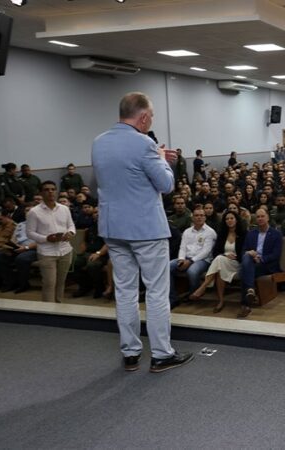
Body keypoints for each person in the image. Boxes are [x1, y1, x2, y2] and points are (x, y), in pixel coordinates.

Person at [92, 91, 193, 373]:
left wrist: (156, 156)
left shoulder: (98, 143)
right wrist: (161, 159)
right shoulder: (144, 143)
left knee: (124, 291)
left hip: (113, 227)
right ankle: (161, 354)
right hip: (145, 229)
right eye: (151, 117)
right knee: (157, 291)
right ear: (144, 116)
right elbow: (166, 185)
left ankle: (131, 353)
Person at [26, 181, 76, 303]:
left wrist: (70, 233)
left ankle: (59, 307)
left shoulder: (64, 209)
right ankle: (48, 312)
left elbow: (71, 225)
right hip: (47, 252)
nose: (50, 192)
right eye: (47, 189)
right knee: (49, 283)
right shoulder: (34, 212)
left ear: (56, 191)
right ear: (41, 193)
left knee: (61, 282)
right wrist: (46, 238)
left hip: (65, 250)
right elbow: (30, 233)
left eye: (53, 189)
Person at [189, 211, 246, 313]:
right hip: (222, 262)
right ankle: (220, 301)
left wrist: (234, 257)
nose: (229, 220)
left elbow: (245, 253)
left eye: (231, 218)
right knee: (220, 263)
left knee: (219, 261)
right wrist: (225, 255)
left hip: (237, 262)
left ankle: (203, 287)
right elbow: (215, 252)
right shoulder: (222, 234)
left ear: (236, 220)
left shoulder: (244, 234)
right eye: (227, 219)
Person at [169, 207, 216, 309]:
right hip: (186, 257)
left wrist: (190, 261)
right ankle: (173, 298)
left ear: (205, 217)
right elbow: (182, 247)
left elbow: (206, 252)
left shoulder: (210, 232)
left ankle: (194, 293)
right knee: (167, 267)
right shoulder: (187, 231)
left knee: (192, 271)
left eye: (201, 215)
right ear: (192, 217)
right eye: (196, 215)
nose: (199, 217)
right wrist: (181, 259)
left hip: (203, 260)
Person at [240, 207, 282, 317]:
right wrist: (250, 253)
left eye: (262, 216)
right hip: (252, 261)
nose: (260, 218)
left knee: (244, 270)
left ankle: (246, 303)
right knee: (246, 257)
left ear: (267, 217)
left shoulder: (276, 234)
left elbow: (276, 254)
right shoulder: (251, 233)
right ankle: (250, 292)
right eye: (258, 216)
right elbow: (244, 250)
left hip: (267, 264)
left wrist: (261, 259)